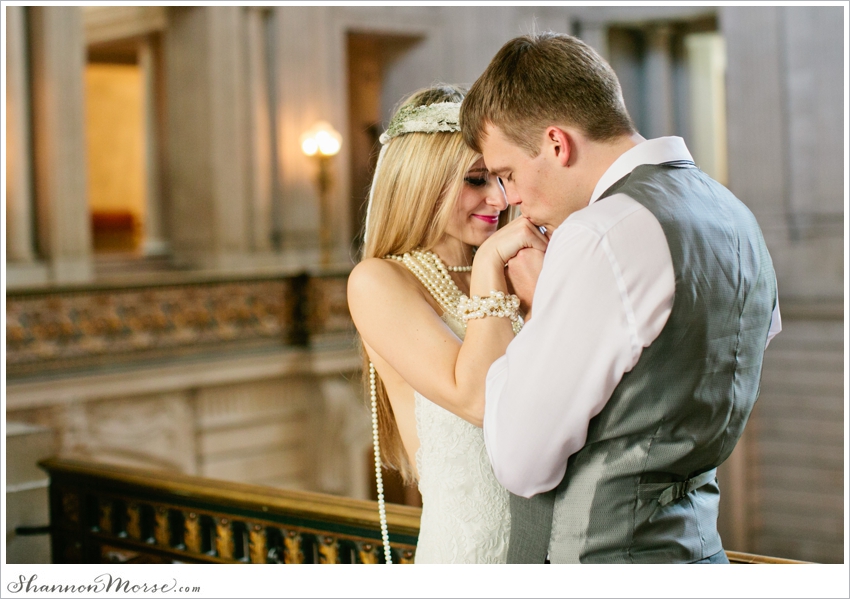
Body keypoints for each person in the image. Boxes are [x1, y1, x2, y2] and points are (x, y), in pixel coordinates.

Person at [458, 32, 782, 563]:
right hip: (700, 554)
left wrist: (537, 317)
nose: (509, 198)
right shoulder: (734, 215)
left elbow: (521, 462)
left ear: (557, 143)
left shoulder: (600, 233)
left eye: (507, 173)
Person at [347, 84, 548, 563]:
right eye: (476, 180)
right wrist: (489, 267)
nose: (500, 199)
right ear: (421, 180)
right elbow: (479, 399)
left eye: (502, 176)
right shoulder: (379, 281)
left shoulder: (520, 266)